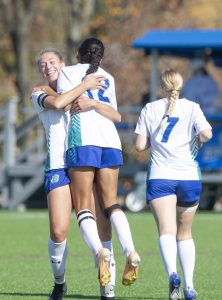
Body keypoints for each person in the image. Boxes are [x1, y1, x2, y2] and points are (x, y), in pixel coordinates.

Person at [31, 48, 120, 300]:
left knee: (101, 223)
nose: (46, 66)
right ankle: (59, 282)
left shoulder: (80, 86)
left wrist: (88, 89)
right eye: (42, 63)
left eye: (51, 61)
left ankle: (107, 288)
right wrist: (85, 84)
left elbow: (108, 112)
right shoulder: (38, 93)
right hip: (59, 164)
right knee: (59, 231)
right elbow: (59, 102)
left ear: (64, 64)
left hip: (84, 157)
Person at [57, 37, 141, 289]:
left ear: (77, 54)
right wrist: (95, 102)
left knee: (83, 206)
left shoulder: (67, 73)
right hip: (111, 143)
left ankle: (99, 252)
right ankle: (131, 251)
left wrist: (85, 96)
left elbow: (63, 102)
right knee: (111, 204)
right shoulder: (108, 77)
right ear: (101, 57)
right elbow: (116, 115)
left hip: (84, 142)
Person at [135, 69, 212, 300]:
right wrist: (195, 140)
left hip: (161, 176)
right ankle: (189, 285)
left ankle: (172, 274)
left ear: (162, 87)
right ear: (181, 85)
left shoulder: (150, 108)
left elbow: (139, 146)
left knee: (166, 231)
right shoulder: (192, 107)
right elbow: (207, 134)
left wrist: (153, 140)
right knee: (185, 233)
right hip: (188, 176)